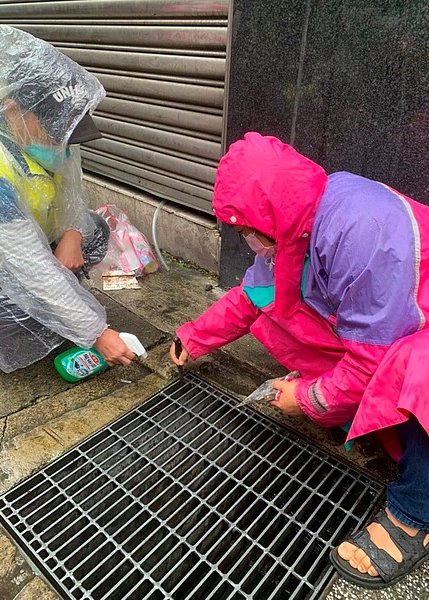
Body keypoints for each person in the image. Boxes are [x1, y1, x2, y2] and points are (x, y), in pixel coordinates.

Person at [170, 131, 429, 589]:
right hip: (394, 332)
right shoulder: (296, 224)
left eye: (245, 230)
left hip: (416, 339)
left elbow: (376, 356)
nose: (245, 239)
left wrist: (309, 398)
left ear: (267, 219)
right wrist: (194, 337)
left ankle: (415, 511)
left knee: (418, 371)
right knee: (286, 317)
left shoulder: (361, 230)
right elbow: (255, 298)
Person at [0, 19, 135, 372]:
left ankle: (60, 306)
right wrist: (96, 332)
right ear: (14, 111)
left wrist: (72, 233)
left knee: (95, 230)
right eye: (55, 131)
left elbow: (72, 197)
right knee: (19, 318)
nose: (61, 143)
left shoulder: (41, 137)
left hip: (27, 245)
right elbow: (31, 268)